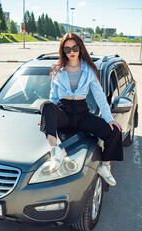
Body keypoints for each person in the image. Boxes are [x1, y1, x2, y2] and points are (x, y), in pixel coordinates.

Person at [40, 33, 123, 186]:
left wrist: (109, 119)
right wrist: (48, 116)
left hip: (82, 114)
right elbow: (53, 96)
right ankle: (55, 151)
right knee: (46, 105)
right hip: (63, 112)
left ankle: (105, 167)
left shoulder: (89, 70)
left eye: (75, 47)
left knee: (114, 132)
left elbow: (99, 96)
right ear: (63, 51)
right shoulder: (57, 69)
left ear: (80, 48)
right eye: (67, 49)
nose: (71, 51)